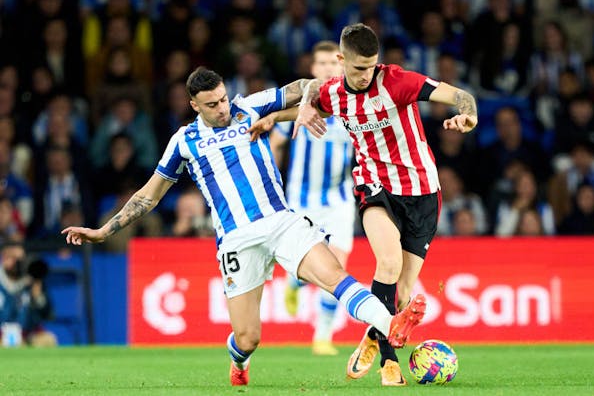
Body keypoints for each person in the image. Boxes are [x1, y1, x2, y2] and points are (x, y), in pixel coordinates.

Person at [61, 67, 426, 386]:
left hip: (282, 221)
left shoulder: (248, 106)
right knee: (248, 337)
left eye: (222, 99)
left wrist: (325, 91)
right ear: (194, 105)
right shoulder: (184, 142)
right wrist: (104, 230)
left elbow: (301, 86)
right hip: (237, 240)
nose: (222, 108)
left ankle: (389, 324)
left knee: (334, 276)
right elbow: (149, 195)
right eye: (212, 104)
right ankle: (239, 361)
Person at [295, 23, 478, 386]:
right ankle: (388, 365)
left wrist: (467, 115)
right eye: (359, 68)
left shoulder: (397, 81)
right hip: (374, 185)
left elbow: (461, 96)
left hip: (422, 189)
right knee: (388, 261)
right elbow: (310, 91)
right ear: (341, 60)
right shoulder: (333, 94)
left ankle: (372, 336)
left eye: (371, 66)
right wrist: (297, 109)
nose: (366, 76)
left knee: (405, 294)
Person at [267, 41, 355, 356]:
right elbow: (275, 145)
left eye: (334, 63)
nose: (329, 68)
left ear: (342, 67)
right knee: (303, 264)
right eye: (322, 63)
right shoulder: (299, 108)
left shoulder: (351, 109)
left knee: (337, 265)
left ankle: (323, 336)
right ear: (313, 69)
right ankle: (295, 284)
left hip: (340, 199)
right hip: (301, 201)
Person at [0, 240, 57, 347]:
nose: (18, 264)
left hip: (27, 336)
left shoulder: (31, 281)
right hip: (2, 336)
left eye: (21, 260)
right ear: (4, 258)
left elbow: (48, 314)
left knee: (48, 339)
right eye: (13, 258)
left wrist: (38, 296)